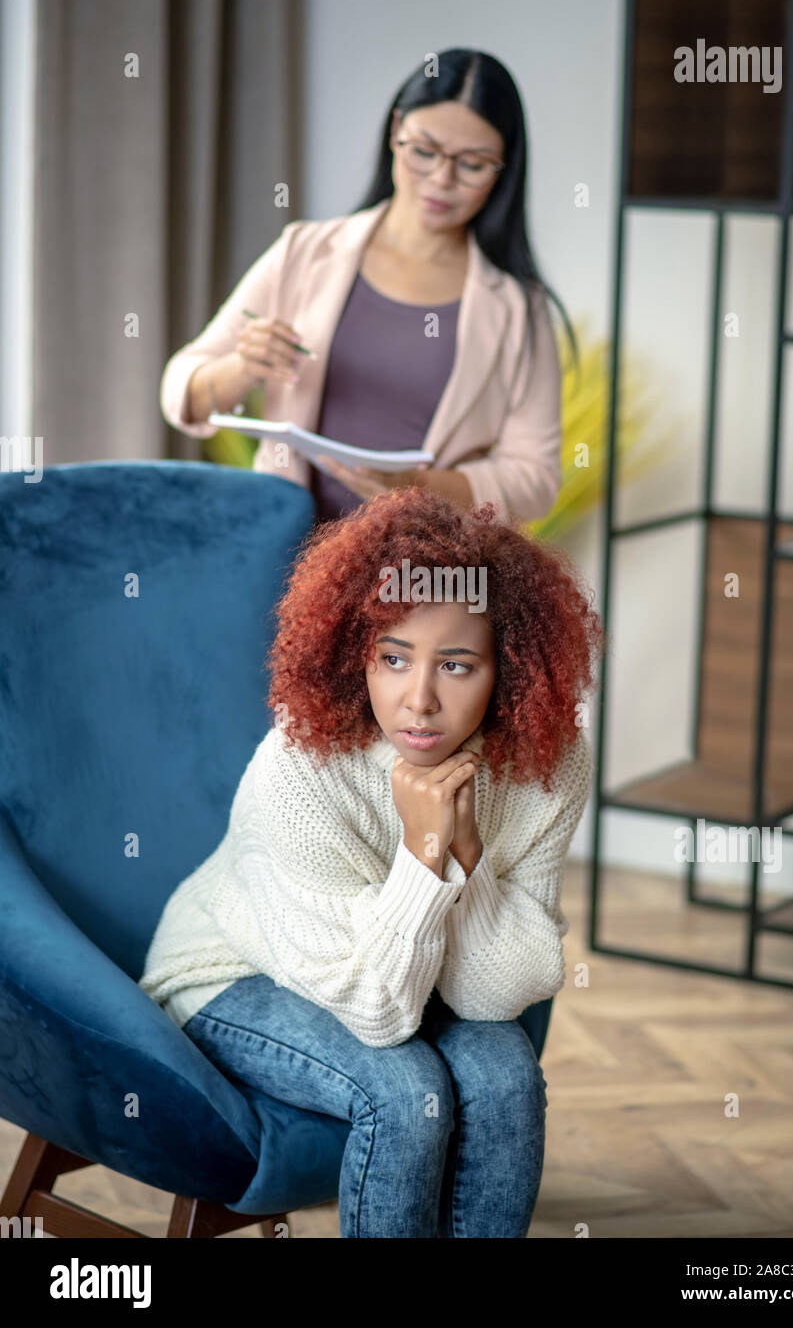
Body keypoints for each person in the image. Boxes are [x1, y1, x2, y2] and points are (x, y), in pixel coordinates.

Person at [137, 486, 604, 1237]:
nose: (417, 700)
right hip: (233, 971)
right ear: (357, 650)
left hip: (410, 972)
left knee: (508, 1078)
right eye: (393, 658)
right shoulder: (300, 769)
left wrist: (465, 849)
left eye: (456, 666)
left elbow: (503, 991)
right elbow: (381, 1015)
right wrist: (423, 857)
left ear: (509, 669)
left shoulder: (549, 764)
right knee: (401, 1091)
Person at [159, 48, 579, 527]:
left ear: (504, 168)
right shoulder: (306, 252)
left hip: (426, 567)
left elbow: (535, 479)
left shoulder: (519, 309)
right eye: (424, 151)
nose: (441, 180)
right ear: (395, 132)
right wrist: (242, 367)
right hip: (290, 555)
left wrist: (416, 488)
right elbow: (179, 391)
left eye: (473, 165)